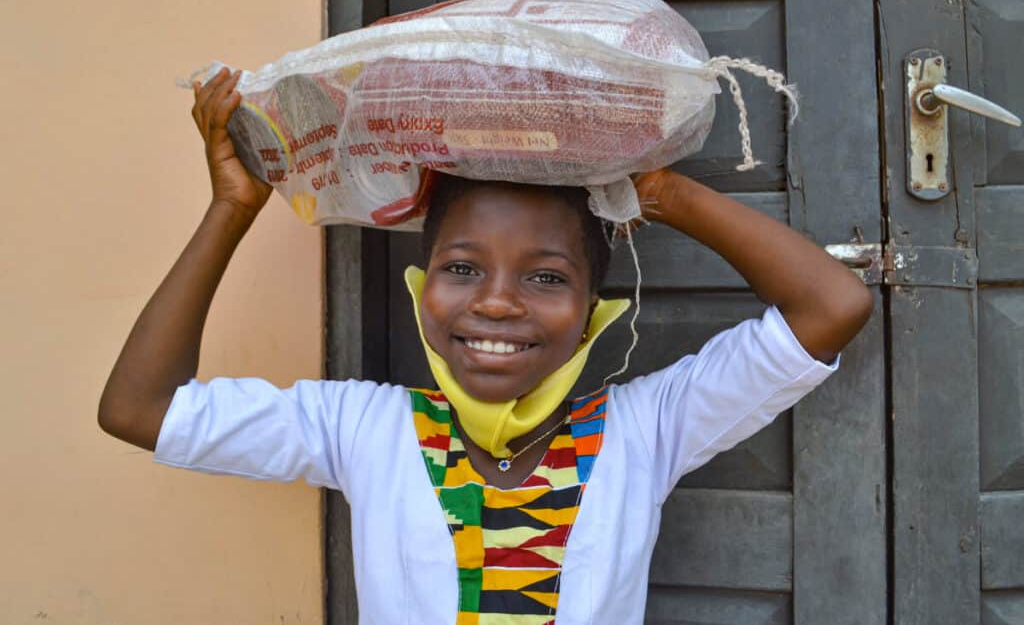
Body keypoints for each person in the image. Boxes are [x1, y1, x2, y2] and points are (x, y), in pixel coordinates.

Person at [98, 67, 873, 623]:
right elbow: (140, 408)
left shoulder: (643, 431)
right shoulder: (367, 431)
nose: (497, 301)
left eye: (545, 277)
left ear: (589, 308)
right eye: (462, 267)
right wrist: (234, 206)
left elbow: (831, 305)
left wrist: (662, 191)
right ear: (422, 284)